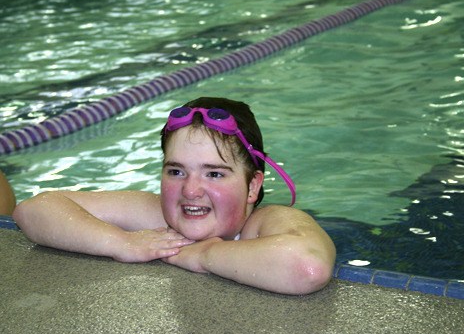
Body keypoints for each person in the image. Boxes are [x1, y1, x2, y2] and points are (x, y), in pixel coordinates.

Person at [13, 97, 335, 295]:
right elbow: (33, 209)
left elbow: (307, 268)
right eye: (176, 171)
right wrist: (120, 243)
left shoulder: (268, 222)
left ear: (252, 187)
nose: (190, 191)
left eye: (214, 173)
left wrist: (202, 256)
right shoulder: (154, 215)